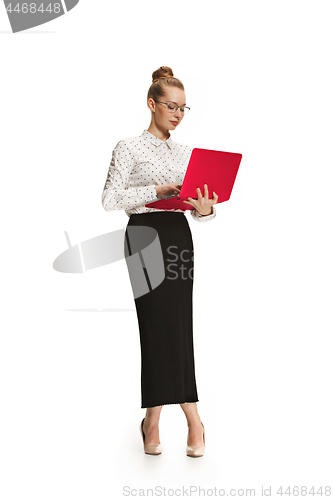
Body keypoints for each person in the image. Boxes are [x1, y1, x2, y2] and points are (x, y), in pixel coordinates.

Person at [101, 66, 218, 457]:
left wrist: (204, 210)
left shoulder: (187, 153)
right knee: (153, 325)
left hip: (177, 235)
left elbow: (196, 205)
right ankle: (158, 418)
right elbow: (109, 200)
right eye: (171, 106)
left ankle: (189, 416)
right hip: (143, 237)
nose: (178, 114)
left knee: (179, 322)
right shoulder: (128, 147)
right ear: (151, 104)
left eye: (184, 108)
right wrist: (155, 190)